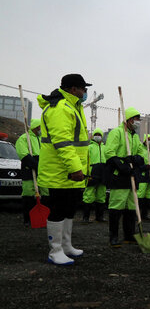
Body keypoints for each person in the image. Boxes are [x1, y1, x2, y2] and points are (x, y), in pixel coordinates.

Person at [37, 74, 90, 265]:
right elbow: (63, 142)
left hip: (70, 172)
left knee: (69, 208)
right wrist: (76, 168)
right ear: (73, 89)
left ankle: (66, 246)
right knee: (58, 210)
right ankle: (55, 250)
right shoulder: (60, 108)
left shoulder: (73, 107)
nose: (85, 93)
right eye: (84, 89)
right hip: (59, 171)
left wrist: (80, 170)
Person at [104, 107, 146, 247]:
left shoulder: (135, 136)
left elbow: (142, 154)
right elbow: (109, 152)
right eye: (136, 119)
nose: (137, 122)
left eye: (139, 119)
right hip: (119, 176)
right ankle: (113, 237)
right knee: (116, 207)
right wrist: (122, 166)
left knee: (131, 207)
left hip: (132, 177)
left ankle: (129, 235)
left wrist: (135, 159)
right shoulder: (117, 133)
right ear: (128, 119)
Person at [15, 118, 49, 227]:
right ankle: (27, 219)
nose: (41, 129)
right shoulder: (24, 138)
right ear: (35, 127)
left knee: (46, 194)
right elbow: (23, 155)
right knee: (28, 195)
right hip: (29, 170)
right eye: (39, 127)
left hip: (43, 171)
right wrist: (35, 164)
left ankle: (45, 218)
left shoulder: (43, 139)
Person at [82, 128, 107, 223]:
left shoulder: (105, 148)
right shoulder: (89, 147)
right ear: (93, 136)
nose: (98, 136)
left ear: (102, 136)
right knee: (88, 194)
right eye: (96, 134)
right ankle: (86, 217)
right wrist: (86, 174)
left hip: (103, 173)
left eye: (99, 134)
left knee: (101, 195)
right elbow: (85, 161)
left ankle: (99, 217)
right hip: (92, 173)